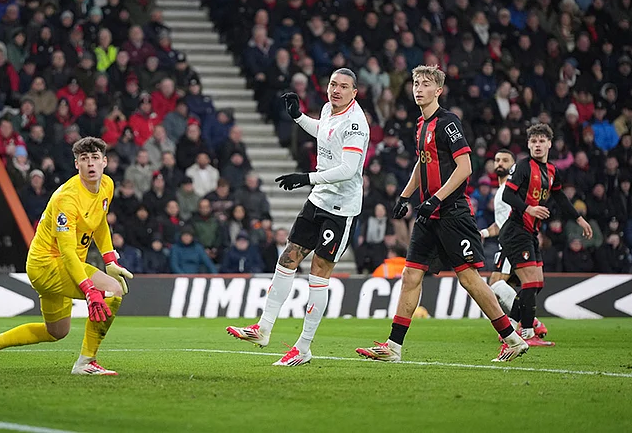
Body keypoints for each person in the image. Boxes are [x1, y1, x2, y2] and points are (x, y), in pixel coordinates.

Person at [356, 65, 529, 363]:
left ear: (438, 90)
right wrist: (405, 195)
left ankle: (512, 338)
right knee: (410, 274)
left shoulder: (448, 123)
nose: (418, 89)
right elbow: (422, 165)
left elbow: (465, 168)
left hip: (452, 212)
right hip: (429, 213)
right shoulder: (420, 125)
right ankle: (393, 347)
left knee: (470, 279)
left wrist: (435, 199)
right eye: (415, 83)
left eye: (425, 84)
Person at [226, 68, 369, 366]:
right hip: (318, 200)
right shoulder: (330, 109)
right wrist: (299, 118)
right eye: (332, 84)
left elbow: (348, 170)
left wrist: (306, 177)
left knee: (318, 272)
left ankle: (303, 347)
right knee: (287, 258)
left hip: (340, 209)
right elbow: (325, 133)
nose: (336, 90)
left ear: (354, 92)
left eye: (343, 86)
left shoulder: (356, 123)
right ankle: (263, 328)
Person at [0, 137, 134, 376]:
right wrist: (88, 289)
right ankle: (86, 362)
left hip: (62, 265)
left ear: (105, 162)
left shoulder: (106, 185)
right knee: (113, 290)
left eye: (95, 158)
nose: (91, 164)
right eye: (84, 159)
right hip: (48, 264)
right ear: (77, 164)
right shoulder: (67, 198)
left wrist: (110, 260)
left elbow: (98, 222)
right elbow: (66, 251)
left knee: (56, 331)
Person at [497, 124, 593, 345]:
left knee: (537, 283)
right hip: (516, 230)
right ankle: (527, 334)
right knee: (529, 284)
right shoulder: (522, 167)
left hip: (530, 232)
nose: (537, 145)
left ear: (549, 144)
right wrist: (529, 208)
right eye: (533, 141)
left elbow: (560, 198)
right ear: (528, 144)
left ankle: (510, 328)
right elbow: (508, 196)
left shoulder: (551, 171)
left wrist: (579, 218)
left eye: (541, 141)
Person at [480, 150, 549, 340]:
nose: (500, 163)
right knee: (512, 285)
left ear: (514, 166)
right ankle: (524, 325)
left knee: (497, 284)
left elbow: (519, 218)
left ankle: (529, 324)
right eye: (497, 160)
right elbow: (501, 223)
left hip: (515, 242)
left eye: (505, 160)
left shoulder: (511, 190)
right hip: (508, 241)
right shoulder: (500, 191)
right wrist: (484, 233)